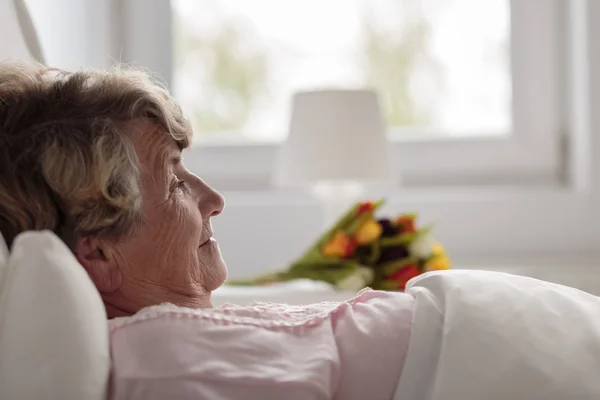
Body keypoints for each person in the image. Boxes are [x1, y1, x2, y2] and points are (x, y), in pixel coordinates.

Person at [2, 62, 600, 400]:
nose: (214, 199)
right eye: (176, 184)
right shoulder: (158, 366)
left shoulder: (172, 342)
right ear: (99, 253)